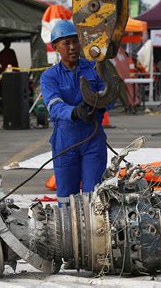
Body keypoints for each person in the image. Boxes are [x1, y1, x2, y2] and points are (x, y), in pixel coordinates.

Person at [40, 20, 108, 206]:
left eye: (75, 41)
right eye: (66, 43)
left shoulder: (94, 69)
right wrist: (75, 112)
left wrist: (100, 106)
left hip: (92, 139)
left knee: (94, 197)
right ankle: (69, 232)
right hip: (65, 142)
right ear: (55, 47)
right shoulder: (49, 76)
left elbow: (110, 94)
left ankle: (94, 233)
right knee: (66, 197)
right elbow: (53, 104)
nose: (72, 47)